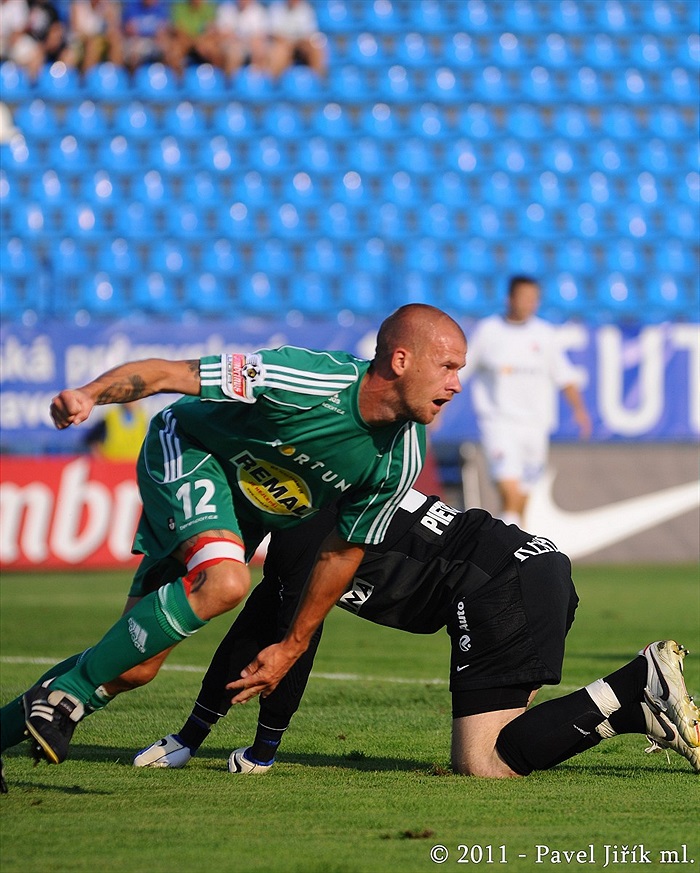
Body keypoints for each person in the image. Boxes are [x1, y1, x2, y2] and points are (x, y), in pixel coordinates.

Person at [12, 305, 466, 771]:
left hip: (243, 513)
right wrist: (89, 395)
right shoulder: (305, 379)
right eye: (447, 367)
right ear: (401, 360)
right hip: (188, 448)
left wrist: (291, 646)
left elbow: (341, 552)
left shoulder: (403, 456)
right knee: (227, 582)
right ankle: (68, 700)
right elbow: (170, 374)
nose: (456, 385)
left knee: (132, 666)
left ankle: (19, 721)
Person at [128, 490, 699, 778]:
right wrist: (192, 735)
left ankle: (636, 683)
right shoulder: (319, 500)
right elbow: (260, 621)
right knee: (511, 737)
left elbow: (289, 644)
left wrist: (263, 751)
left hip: (498, 587)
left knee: (486, 763)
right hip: (532, 566)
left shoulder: (304, 530)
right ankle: (636, 707)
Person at [462, 275, 591, 527]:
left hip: (536, 424)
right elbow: (461, 371)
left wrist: (580, 411)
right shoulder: (489, 331)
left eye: (534, 298)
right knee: (508, 485)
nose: (529, 303)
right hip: (499, 422)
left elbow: (564, 375)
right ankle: (509, 549)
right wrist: (440, 407)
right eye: (524, 297)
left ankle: (514, 540)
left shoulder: (544, 334)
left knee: (522, 492)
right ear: (509, 298)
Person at [267, 0, 326, 79]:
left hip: (301, 44)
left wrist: (298, 42)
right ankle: (276, 82)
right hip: (284, 44)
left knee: (316, 48)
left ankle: (317, 80)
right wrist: (289, 43)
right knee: (280, 51)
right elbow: (275, 34)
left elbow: (309, 34)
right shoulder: (276, 8)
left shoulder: (306, 9)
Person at [213, 0, 269, 77]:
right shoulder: (226, 9)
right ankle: (229, 83)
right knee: (233, 53)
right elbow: (222, 34)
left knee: (262, 50)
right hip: (231, 46)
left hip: (250, 46)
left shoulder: (259, 11)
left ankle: (259, 81)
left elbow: (259, 37)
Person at [84, 401, 150, 461]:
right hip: (112, 463)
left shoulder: (142, 417)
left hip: (133, 463)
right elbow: (92, 439)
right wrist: (100, 459)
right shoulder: (111, 416)